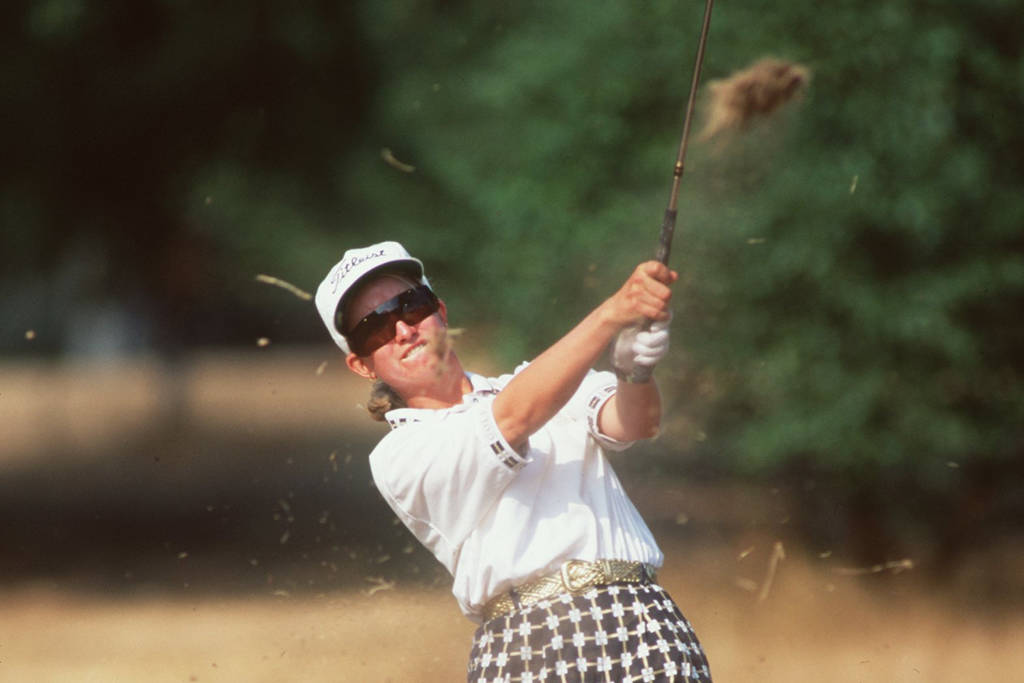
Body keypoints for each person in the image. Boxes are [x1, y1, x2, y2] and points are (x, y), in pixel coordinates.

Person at [315, 241, 712, 682]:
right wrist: (610, 315)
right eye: (375, 329)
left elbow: (637, 422)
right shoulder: (400, 454)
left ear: (440, 312)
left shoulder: (540, 381)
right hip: (528, 644)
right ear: (361, 365)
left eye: (410, 306)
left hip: (646, 624)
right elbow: (513, 417)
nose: (403, 330)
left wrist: (634, 371)